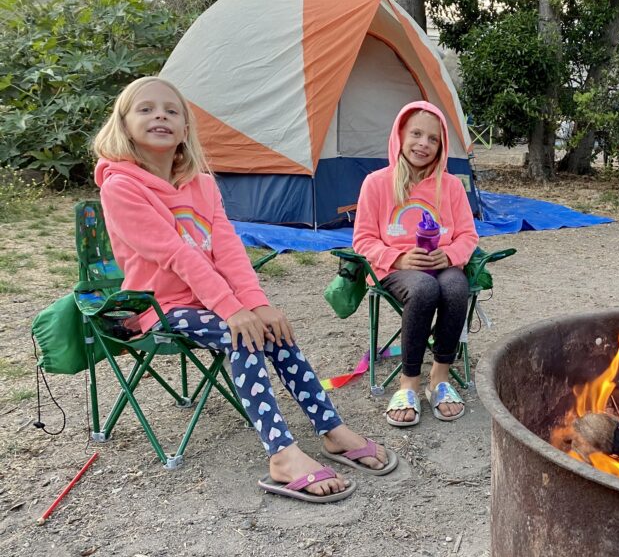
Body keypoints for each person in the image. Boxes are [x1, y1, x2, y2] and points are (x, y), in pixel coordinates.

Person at [93, 76, 397, 504]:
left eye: (171, 110)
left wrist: (257, 304)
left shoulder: (201, 184)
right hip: (159, 307)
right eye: (145, 109)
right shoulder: (121, 186)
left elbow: (229, 250)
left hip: (216, 302)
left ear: (185, 129)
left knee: (274, 329)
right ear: (123, 125)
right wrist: (233, 312)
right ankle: (282, 454)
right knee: (243, 335)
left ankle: (331, 430)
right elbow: (179, 255)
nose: (159, 114)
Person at [353, 101, 478, 427]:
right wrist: (398, 257)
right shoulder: (377, 183)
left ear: (441, 146)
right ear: (400, 136)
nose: (423, 143)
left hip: (442, 263)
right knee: (423, 287)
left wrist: (449, 255)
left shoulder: (450, 186)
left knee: (454, 285)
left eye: (433, 138)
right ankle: (409, 382)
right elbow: (363, 240)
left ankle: (439, 377)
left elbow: (468, 235)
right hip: (395, 270)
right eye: (416, 134)